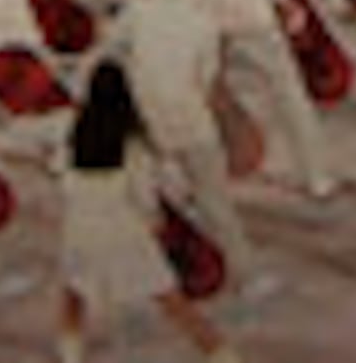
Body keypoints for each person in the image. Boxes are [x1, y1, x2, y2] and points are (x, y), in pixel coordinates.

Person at [52, 57, 233, 360]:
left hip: (80, 228)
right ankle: (220, 354)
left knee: (74, 292)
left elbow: (61, 177)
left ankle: (70, 354)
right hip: (124, 232)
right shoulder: (133, 144)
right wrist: (160, 227)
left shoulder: (73, 137)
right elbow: (145, 197)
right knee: (173, 302)